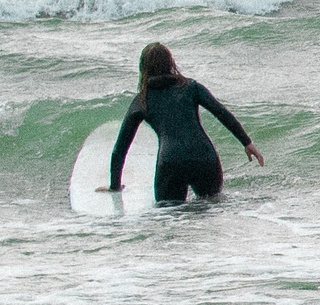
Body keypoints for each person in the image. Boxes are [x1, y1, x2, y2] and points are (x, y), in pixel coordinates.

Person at [105, 42, 264, 204]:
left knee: (171, 217)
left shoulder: (142, 100)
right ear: (171, 63)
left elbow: (121, 148)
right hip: (204, 158)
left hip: (170, 163)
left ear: (143, 68)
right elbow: (221, 112)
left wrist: (115, 186)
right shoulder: (191, 87)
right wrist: (246, 142)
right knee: (212, 210)